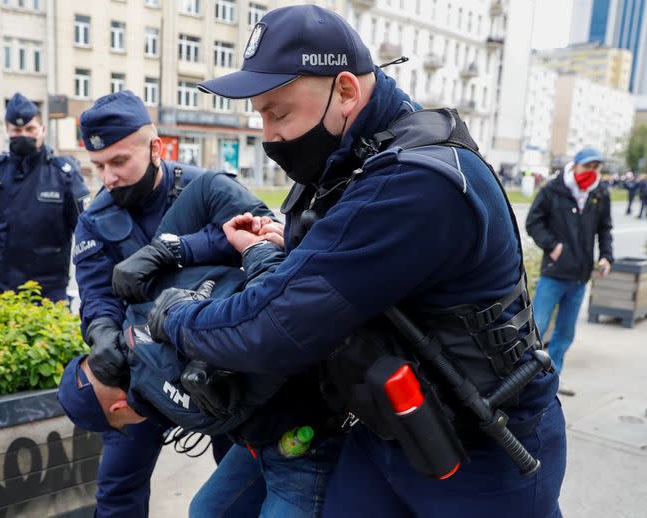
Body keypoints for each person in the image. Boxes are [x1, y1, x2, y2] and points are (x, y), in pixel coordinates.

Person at [146, 5, 566, 517]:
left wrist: (172, 314)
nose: (268, 133)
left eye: (278, 112)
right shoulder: (350, 161)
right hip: (388, 429)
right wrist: (279, 250)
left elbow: (273, 324)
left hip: (486, 452)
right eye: (260, 114)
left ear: (345, 91)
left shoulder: (414, 183)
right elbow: (333, 271)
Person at [72, 90, 276, 517]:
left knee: (236, 470)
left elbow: (260, 232)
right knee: (118, 482)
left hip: (214, 357)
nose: (108, 177)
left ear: (155, 147)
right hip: (144, 366)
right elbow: (96, 296)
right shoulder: (95, 218)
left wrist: (175, 249)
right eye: (99, 166)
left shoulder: (200, 188)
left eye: (119, 161)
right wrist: (103, 334)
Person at [0, 92, 89, 302]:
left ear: (42, 130)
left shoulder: (63, 174)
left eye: (30, 129)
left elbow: (86, 231)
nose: (24, 135)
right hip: (2, 287)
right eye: (17, 130)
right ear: (8, 131)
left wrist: (92, 281)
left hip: (49, 289)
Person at [526, 148, 613, 396]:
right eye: (588, 166)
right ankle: (525, 382)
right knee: (536, 330)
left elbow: (605, 228)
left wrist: (606, 256)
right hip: (553, 274)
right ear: (575, 165)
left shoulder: (600, 193)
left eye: (596, 167)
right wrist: (552, 246)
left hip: (579, 277)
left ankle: (552, 380)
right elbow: (533, 221)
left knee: (565, 333)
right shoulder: (553, 190)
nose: (592, 172)